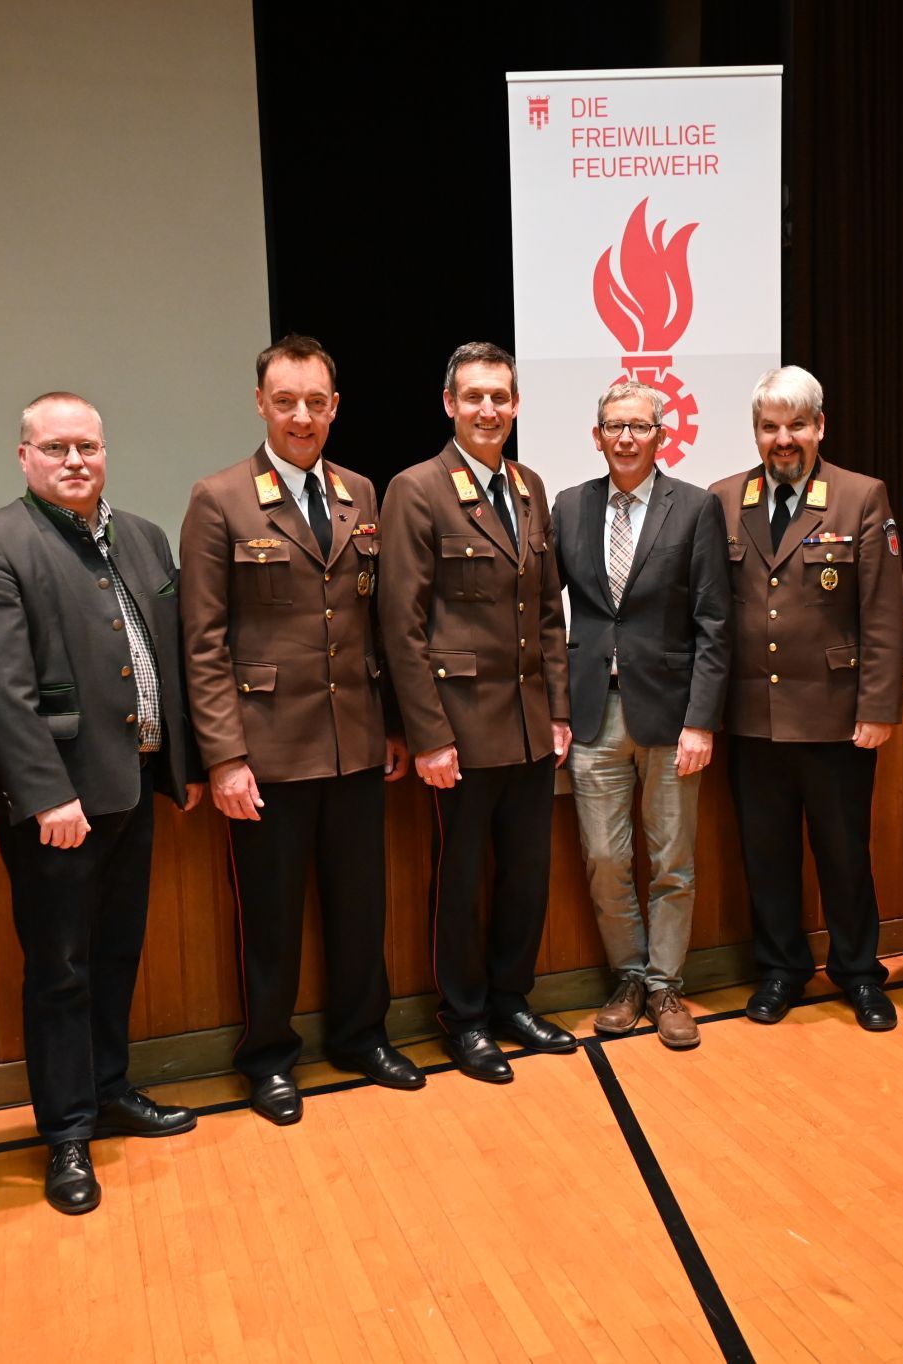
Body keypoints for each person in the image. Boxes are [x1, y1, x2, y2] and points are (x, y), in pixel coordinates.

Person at [0, 392, 204, 1214]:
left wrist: (186, 765)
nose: (75, 461)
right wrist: (46, 792)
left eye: (87, 447)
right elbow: (0, 688)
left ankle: (109, 1089)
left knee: (118, 951)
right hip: (61, 806)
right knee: (60, 969)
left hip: (132, 787)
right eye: (56, 448)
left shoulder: (142, 535)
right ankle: (65, 1132)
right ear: (24, 456)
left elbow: (166, 658)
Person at [179, 336, 423, 1125]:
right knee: (273, 920)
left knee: (361, 908)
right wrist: (224, 758)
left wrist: (390, 725)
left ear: (335, 407)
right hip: (267, 753)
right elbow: (204, 642)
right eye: (286, 401)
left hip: (354, 743)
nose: (301, 416)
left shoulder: (360, 491)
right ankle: (269, 1058)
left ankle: (361, 1036)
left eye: (316, 402)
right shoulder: (218, 499)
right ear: (260, 403)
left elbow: (375, 622)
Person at [378, 342, 574, 1082]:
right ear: (449, 404)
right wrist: (427, 735)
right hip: (457, 729)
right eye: (475, 397)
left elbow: (548, 615)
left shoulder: (528, 486)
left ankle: (510, 1001)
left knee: (526, 875)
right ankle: (463, 1020)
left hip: (529, 725)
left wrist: (558, 711)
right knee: (460, 883)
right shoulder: (417, 489)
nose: (489, 409)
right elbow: (402, 625)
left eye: (501, 396)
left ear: (516, 405)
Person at [708, 365, 903, 1031]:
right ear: (756, 433)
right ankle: (781, 970)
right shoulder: (724, 498)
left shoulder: (860, 497)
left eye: (796, 424)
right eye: (770, 426)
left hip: (834, 717)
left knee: (845, 855)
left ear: (820, 426)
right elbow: (712, 614)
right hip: (753, 719)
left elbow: (882, 614)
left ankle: (859, 974)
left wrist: (878, 708)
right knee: (767, 856)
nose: (782, 438)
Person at [552, 381, 730, 1048]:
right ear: (596, 436)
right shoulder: (570, 507)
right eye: (613, 426)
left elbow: (715, 623)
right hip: (595, 717)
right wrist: (557, 708)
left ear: (662, 435)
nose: (626, 437)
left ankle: (666, 986)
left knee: (673, 862)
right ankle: (628, 978)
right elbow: (548, 616)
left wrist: (702, 720)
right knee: (604, 858)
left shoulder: (695, 508)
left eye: (639, 426)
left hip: (672, 715)